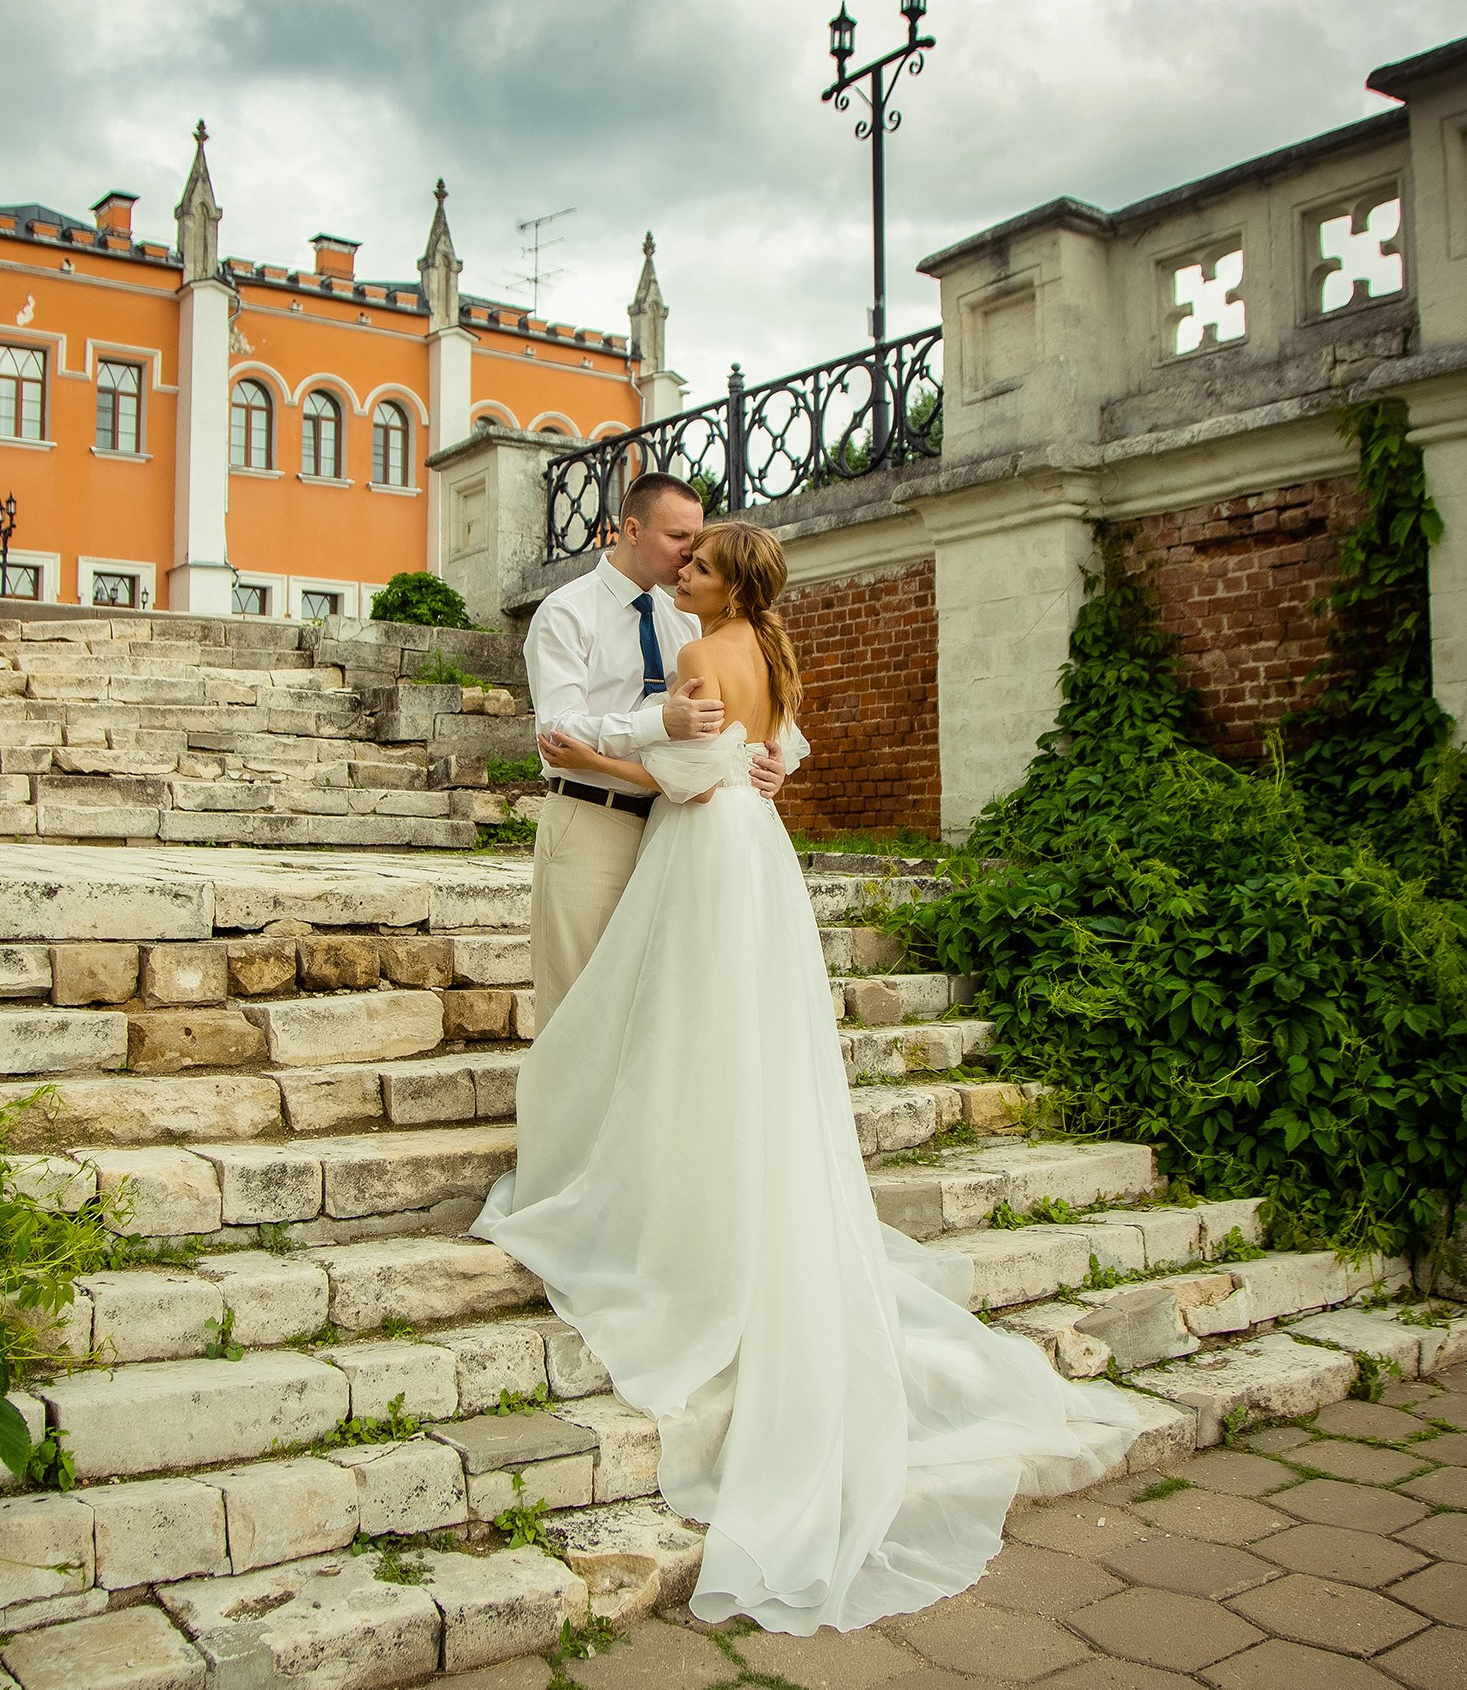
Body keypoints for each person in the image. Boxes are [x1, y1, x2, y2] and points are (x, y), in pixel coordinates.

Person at [474, 522, 1141, 1636]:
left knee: (680, 1026)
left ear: (727, 580)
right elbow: (772, 751)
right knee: (739, 1031)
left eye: (696, 563)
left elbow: (682, 779)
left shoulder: (697, 656)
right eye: (676, 554)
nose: (680, 572)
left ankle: (663, 1193)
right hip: (757, 852)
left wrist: (631, 755)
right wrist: (744, 759)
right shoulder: (773, 650)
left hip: (704, 840)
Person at [520, 471, 788, 1026]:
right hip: (592, 818)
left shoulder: (685, 616)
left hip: (674, 831)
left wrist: (768, 759)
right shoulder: (566, 613)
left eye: (696, 541)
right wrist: (656, 723)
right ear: (632, 529)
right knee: (576, 1001)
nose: (689, 554)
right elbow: (557, 733)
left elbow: (732, 718)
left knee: (650, 1010)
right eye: (677, 539)